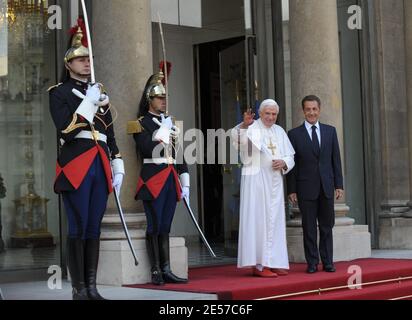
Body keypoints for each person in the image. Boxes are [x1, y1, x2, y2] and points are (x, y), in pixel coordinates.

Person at [48, 18, 125, 299]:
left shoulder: (100, 95)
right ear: (69, 64)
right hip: (76, 165)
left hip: (99, 163)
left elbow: (110, 135)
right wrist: (89, 102)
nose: (86, 63)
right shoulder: (59, 93)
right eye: (80, 59)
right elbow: (66, 130)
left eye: (88, 59)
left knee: (94, 227)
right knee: (78, 225)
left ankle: (92, 287)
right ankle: (78, 288)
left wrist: (117, 164)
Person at [128, 65, 189, 285]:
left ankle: (166, 268)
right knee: (154, 225)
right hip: (153, 177)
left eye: (165, 97)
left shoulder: (169, 122)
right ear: (149, 99)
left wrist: (185, 180)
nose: (163, 101)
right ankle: (155, 270)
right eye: (159, 97)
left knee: (165, 226)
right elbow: (146, 148)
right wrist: (163, 130)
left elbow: (178, 153)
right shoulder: (139, 123)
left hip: (170, 178)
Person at [231, 99, 295, 277]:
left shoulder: (279, 131)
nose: (271, 117)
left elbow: (290, 156)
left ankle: (273, 262)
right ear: (260, 113)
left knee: (274, 221)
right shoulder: (251, 127)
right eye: (268, 113)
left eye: (274, 114)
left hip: (274, 182)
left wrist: (284, 162)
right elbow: (236, 139)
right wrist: (244, 124)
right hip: (256, 182)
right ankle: (259, 265)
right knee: (259, 221)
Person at [286, 95, 344, 274]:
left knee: (327, 226)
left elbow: (336, 160)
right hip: (305, 188)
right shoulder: (294, 134)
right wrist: (292, 189)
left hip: (326, 187)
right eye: (308, 109)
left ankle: (328, 262)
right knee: (309, 227)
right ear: (303, 111)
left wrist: (338, 185)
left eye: (314, 109)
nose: (311, 112)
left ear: (319, 110)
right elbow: (292, 164)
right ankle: (312, 262)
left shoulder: (330, 131)